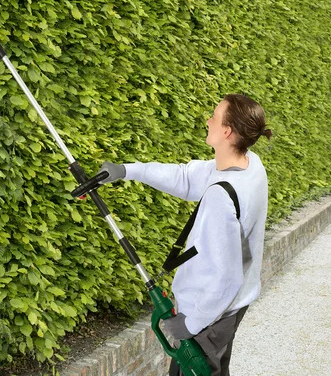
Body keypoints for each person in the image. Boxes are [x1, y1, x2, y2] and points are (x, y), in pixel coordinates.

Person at [97, 94, 272, 376]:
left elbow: (226, 278)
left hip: (210, 319)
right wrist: (127, 171)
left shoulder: (221, 197)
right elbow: (186, 178)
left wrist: (191, 324)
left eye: (214, 117)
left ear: (227, 131)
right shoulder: (250, 165)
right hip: (230, 309)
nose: (208, 120)